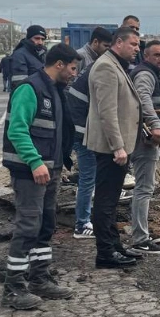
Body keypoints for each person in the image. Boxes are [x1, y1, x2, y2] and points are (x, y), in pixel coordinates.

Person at [0, 43, 80, 309]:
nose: (73, 74)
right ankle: (13, 288)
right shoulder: (30, 89)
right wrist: (35, 162)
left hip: (51, 169)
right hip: (31, 172)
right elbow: (17, 131)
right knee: (28, 226)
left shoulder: (55, 91)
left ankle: (39, 278)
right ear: (59, 64)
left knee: (45, 225)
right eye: (72, 68)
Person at [85, 27, 147, 268]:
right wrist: (118, 147)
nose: (137, 49)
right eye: (133, 44)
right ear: (118, 42)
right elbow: (107, 112)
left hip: (119, 146)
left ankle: (115, 245)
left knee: (110, 201)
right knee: (105, 201)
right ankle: (105, 253)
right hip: (110, 148)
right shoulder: (105, 67)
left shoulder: (115, 64)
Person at [67, 27, 122, 240]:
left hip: (83, 128)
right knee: (88, 178)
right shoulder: (100, 66)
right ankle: (82, 224)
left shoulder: (99, 63)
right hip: (83, 131)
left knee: (90, 177)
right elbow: (104, 107)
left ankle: (86, 220)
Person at [129, 40, 160, 256]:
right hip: (144, 140)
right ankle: (140, 239)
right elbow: (142, 98)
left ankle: (142, 233)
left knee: (145, 186)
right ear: (146, 56)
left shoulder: (151, 73)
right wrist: (155, 125)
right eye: (157, 55)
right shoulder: (145, 74)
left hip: (143, 138)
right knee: (144, 188)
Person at [9, 24, 48, 90]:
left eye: (42, 39)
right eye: (37, 38)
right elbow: (20, 83)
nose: (40, 42)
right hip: (28, 96)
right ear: (29, 38)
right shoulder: (19, 55)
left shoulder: (43, 54)